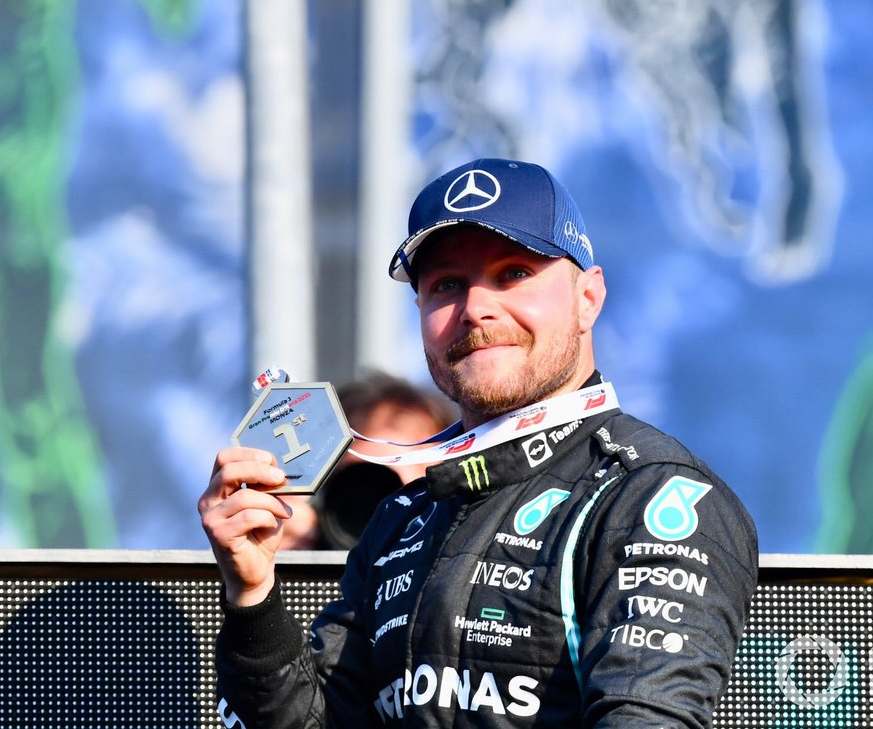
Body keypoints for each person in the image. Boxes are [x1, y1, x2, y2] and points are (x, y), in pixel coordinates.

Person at [198, 158, 758, 727]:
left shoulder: (652, 496)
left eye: (514, 272)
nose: (475, 308)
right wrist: (253, 593)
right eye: (446, 284)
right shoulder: (402, 516)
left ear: (588, 298)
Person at [281, 371, 457, 550]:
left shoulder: (460, 556)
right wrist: (278, 565)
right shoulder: (304, 539)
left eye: (389, 486)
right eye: (357, 480)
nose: (375, 511)